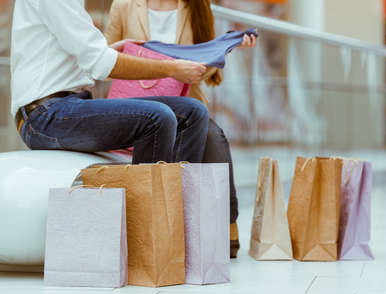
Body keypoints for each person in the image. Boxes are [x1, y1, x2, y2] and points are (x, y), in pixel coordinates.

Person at [104, 0, 257, 259]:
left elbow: (208, 67)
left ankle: (226, 223)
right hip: (135, 103)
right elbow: (105, 59)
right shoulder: (124, 5)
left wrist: (224, 49)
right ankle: (170, 225)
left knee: (213, 137)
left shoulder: (196, 7)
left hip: (187, 104)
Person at [10, 0, 210, 165]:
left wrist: (110, 51)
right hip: (44, 116)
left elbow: (80, 57)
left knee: (192, 112)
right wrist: (171, 69)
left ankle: (178, 207)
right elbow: (101, 64)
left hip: (68, 106)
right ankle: (149, 210)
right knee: (157, 117)